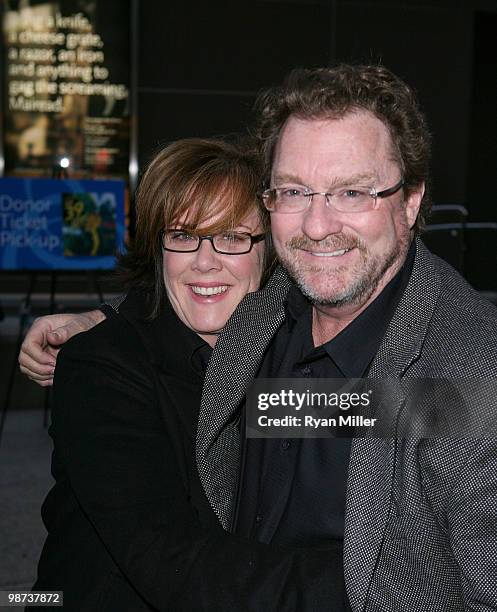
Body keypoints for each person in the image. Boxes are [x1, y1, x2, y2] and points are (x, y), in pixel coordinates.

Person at [21, 64, 497, 611]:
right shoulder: (280, 313)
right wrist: (103, 328)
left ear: (410, 200)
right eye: (294, 191)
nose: (317, 226)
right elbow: (168, 554)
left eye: (352, 192)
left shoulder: (459, 373)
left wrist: (389, 583)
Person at [29, 137, 344, 611]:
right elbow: (173, 562)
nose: (204, 261)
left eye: (233, 237)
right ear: (159, 248)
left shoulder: (274, 357)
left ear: (269, 252)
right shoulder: (102, 367)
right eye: (182, 235)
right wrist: (372, 582)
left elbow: (385, 413)